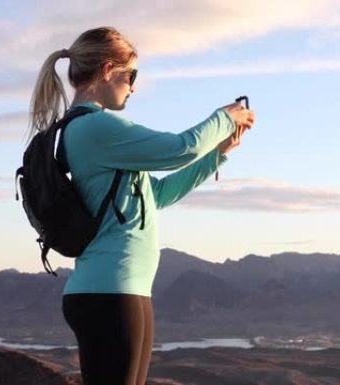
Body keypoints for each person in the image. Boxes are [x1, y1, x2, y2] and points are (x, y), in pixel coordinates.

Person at [27, 27, 255, 385]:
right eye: (131, 76)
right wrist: (225, 116)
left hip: (123, 289)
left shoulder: (98, 132)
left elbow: (158, 195)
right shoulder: (96, 128)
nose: (133, 87)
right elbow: (179, 147)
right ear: (106, 70)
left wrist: (219, 153)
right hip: (108, 292)